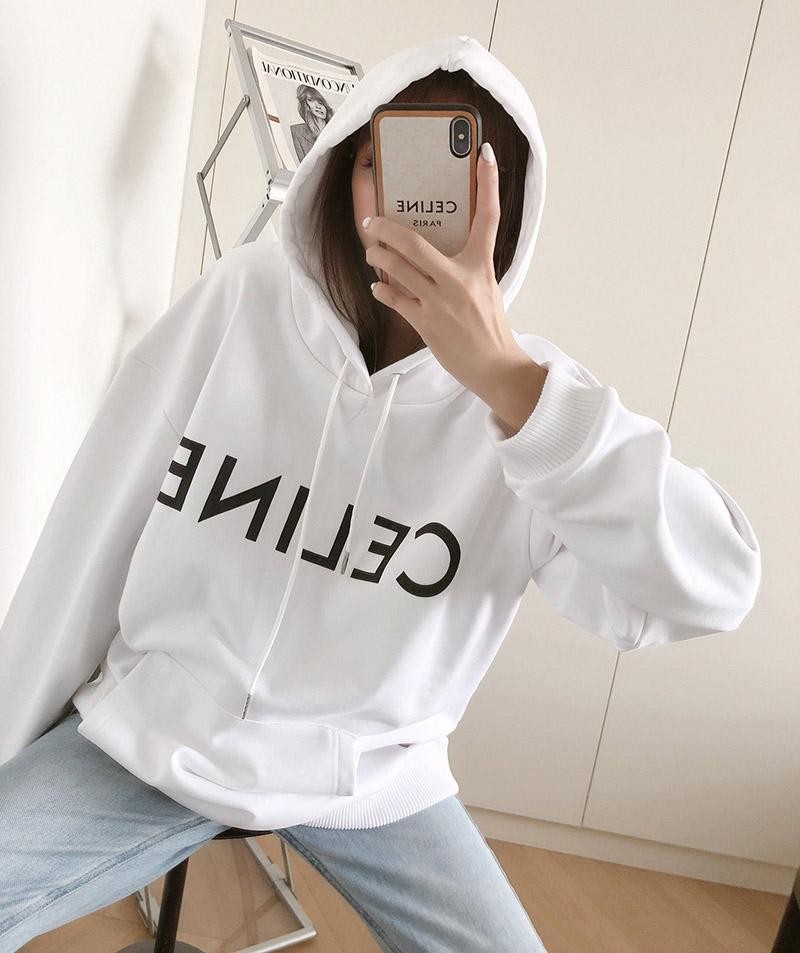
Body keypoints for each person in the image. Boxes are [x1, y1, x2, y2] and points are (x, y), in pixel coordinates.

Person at [0, 34, 761, 953]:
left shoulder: (531, 400)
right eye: (382, 166)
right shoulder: (242, 299)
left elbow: (715, 586)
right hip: (161, 728)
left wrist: (511, 385)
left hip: (375, 772)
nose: (409, 203)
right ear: (341, 173)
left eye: (456, 181)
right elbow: (91, 529)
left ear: (505, 208)